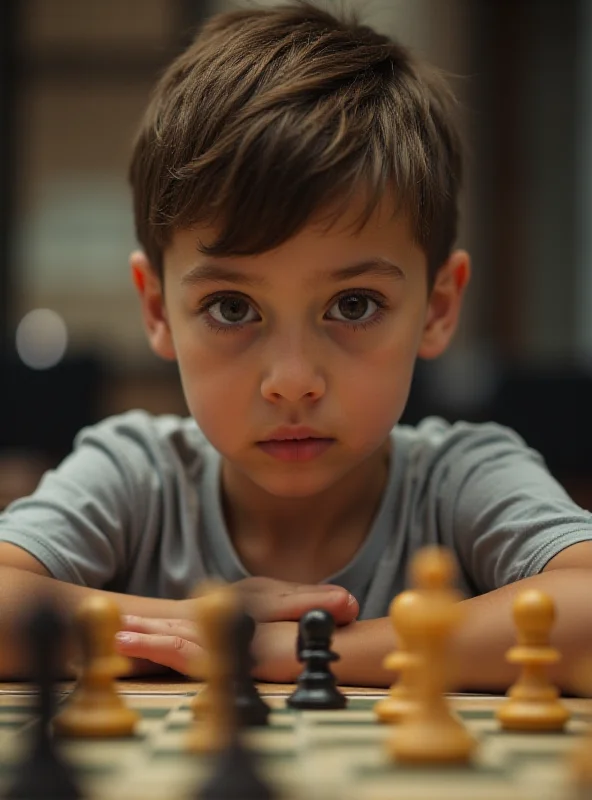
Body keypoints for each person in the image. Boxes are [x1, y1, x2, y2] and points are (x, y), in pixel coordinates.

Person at [1, 1, 591, 689]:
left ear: (438, 306)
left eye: (353, 305)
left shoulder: (462, 478)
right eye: (231, 307)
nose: (291, 380)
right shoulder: (136, 475)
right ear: (157, 309)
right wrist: (214, 625)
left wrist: (289, 652)